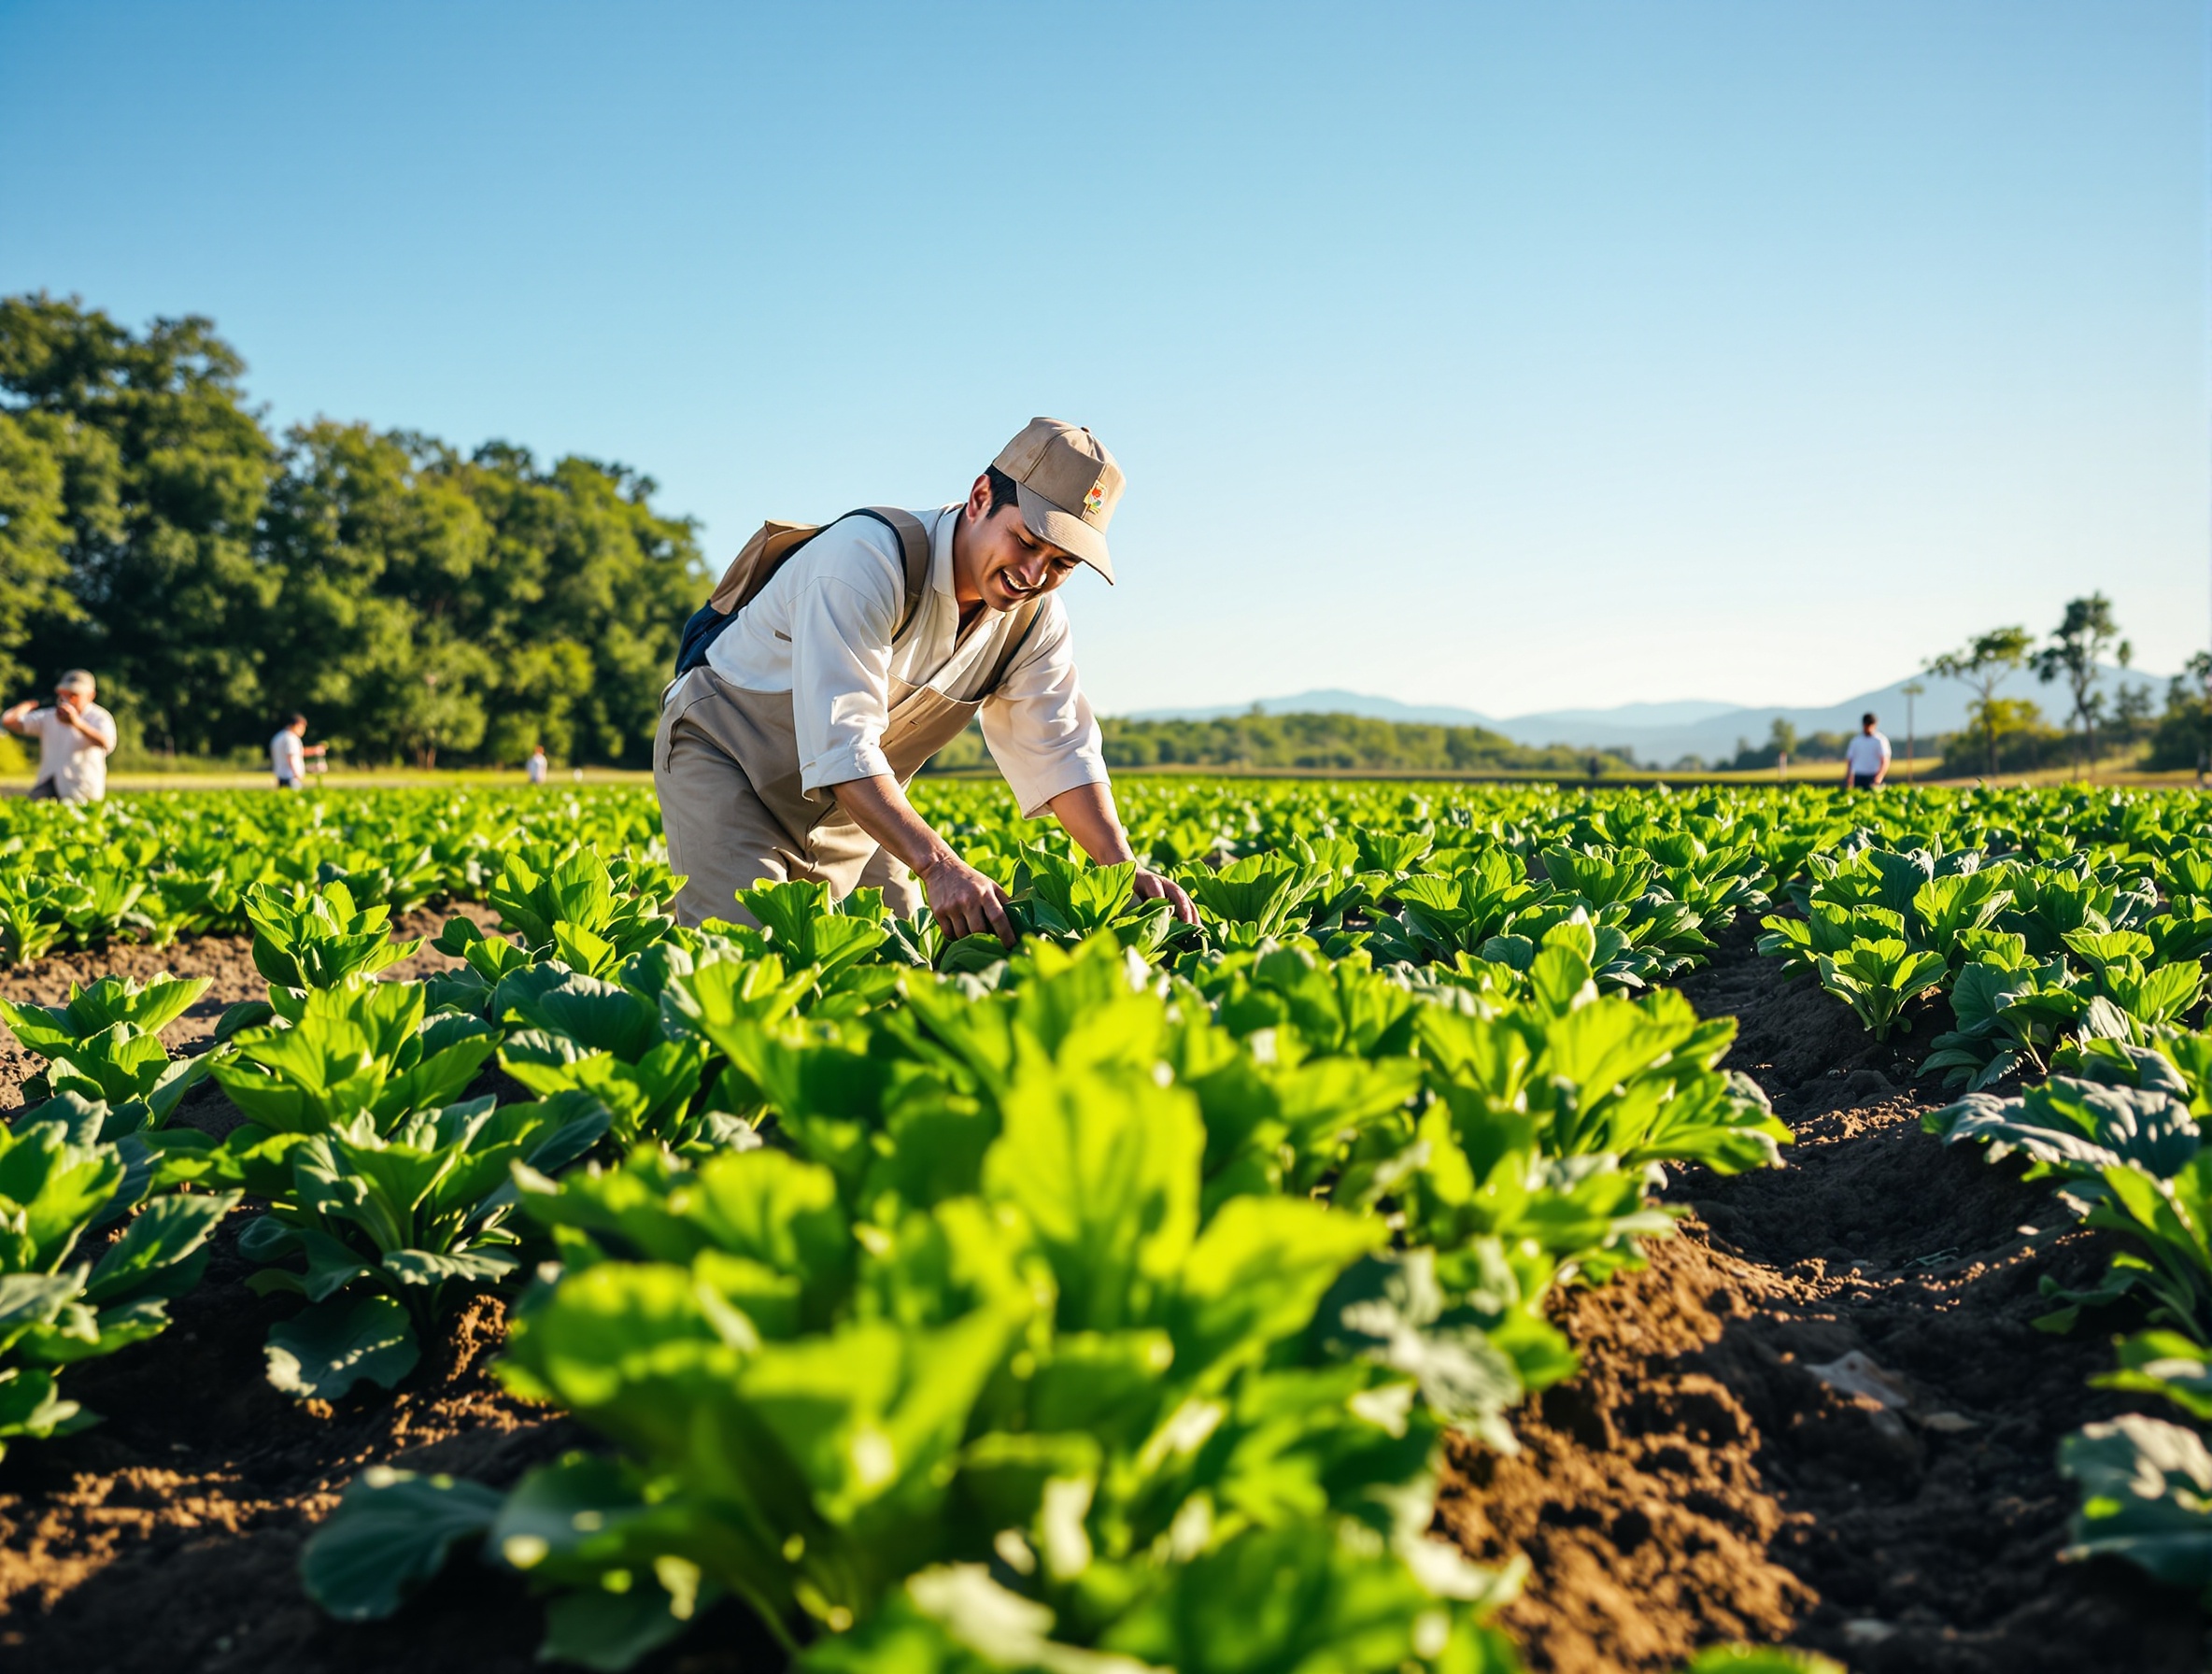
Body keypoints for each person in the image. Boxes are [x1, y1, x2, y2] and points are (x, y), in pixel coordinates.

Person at [655, 417, 1197, 942]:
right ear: (980, 497)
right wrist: (939, 865)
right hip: (729, 761)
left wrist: (1121, 869)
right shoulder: (866, 557)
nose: (1035, 575)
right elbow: (843, 743)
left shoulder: (1035, 621)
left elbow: (1061, 750)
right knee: (748, 953)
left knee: (909, 963)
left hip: (856, 805)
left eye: (1062, 564)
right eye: (1028, 541)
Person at [3, 670, 119, 802]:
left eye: (74, 695)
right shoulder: (49, 716)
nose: (68, 699)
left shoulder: (100, 717)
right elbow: (10, 722)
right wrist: (28, 705)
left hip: (81, 786)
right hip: (49, 780)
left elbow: (106, 743)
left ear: (90, 695)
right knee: (31, 805)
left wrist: (76, 723)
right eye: (64, 694)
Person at [270, 714, 327, 789]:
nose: (303, 730)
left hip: (280, 776)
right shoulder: (291, 738)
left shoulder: (279, 736)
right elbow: (291, 757)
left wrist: (314, 750)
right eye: (303, 727)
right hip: (291, 778)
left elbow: (298, 752)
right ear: (297, 725)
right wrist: (297, 774)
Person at [1843, 712, 1891, 790]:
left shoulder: (1880, 740)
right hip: (1859, 776)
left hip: (1874, 776)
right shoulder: (1856, 741)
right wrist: (1849, 776)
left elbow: (1885, 760)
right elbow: (1850, 760)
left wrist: (1879, 777)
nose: (1868, 728)